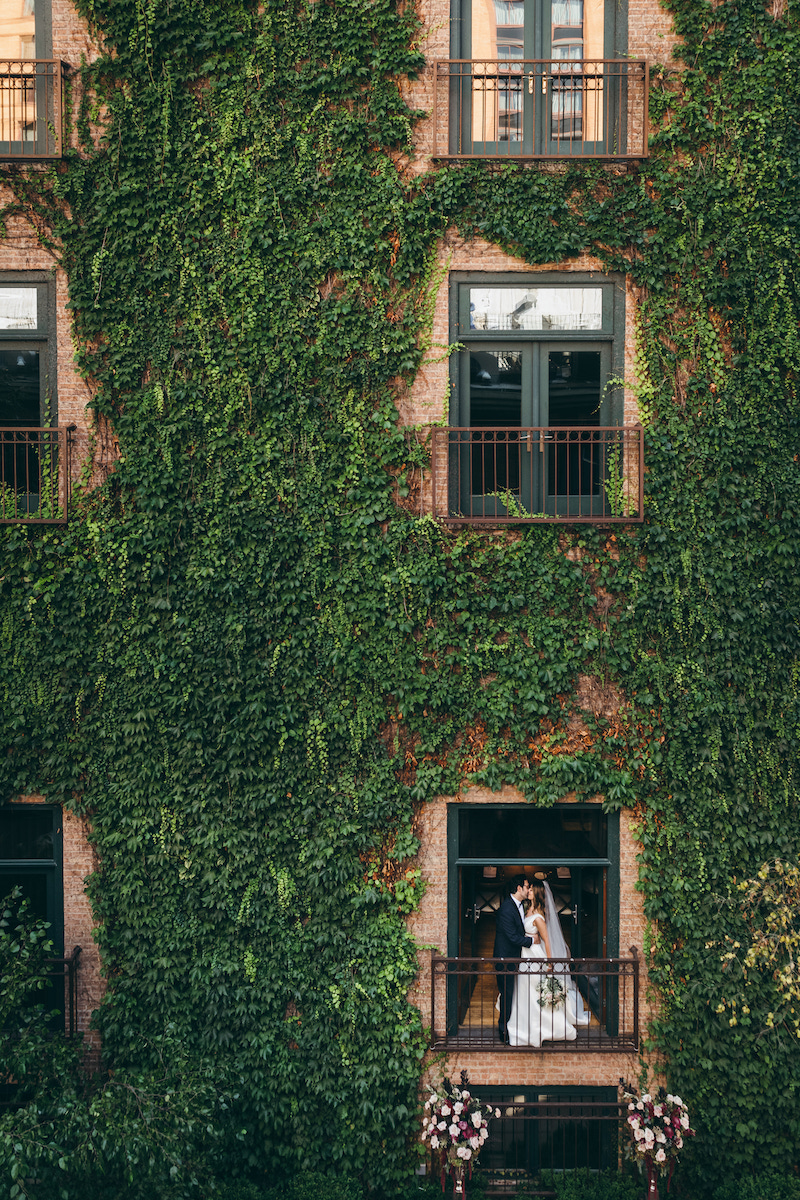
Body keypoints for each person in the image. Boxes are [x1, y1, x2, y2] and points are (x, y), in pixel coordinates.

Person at [507, 881, 580, 1047]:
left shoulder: (538, 917)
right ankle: (524, 1025)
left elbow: (547, 941)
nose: (529, 891)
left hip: (535, 957)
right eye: (529, 888)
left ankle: (544, 1028)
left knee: (535, 991)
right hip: (525, 955)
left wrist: (548, 962)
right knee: (525, 990)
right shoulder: (528, 910)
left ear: (538, 893)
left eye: (531, 890)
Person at [493, 875, 533, 1044]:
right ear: (518, 888)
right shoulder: (507, 909)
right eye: (526, 886)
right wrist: (532, 941)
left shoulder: (519, 906)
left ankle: (511, 1026)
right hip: (505, 960)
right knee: (507, 995)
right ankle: (503, 1031)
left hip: (515, 959)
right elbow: (512, 937)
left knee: (511, 994)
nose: (528, 889)